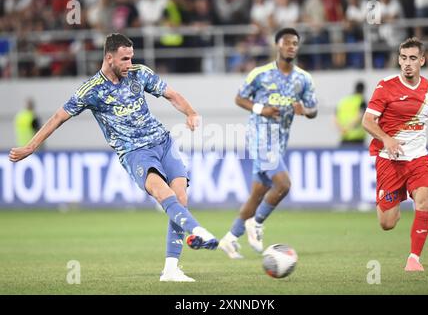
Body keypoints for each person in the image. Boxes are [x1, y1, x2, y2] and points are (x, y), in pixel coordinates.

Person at [9, 33, 218, 282]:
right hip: (135, 152)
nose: (129, 63)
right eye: (124, 59)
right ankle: (198, 230)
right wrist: (31, 146)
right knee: (165, 195)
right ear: (109, 58)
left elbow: (171, 94)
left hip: (164, 142)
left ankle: (171, 270)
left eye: (131, 58)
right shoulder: (92, 90)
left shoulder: (139, 73)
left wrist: (191, 113)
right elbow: (57, 118)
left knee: (180, 199)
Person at [218, 28, 318, 259]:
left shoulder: (303, 79)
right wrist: (260, 108)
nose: (292, 46)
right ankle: (257, 222)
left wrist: (305, 110)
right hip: (260, 138)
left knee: (257, 195)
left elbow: (313, 109)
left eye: (295, 43)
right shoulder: (260, 74)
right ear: (277, 45)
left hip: (280, 140)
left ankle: (230, 239)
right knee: (283, 185)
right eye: (287, 42)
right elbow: (239, 97)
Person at [362, 37, 428, 272]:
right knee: (387, 223)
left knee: (424, 199)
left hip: (418, 158)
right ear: (398, 60)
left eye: (412, 58)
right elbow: (367, 121)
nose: (407, 63)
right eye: (403, 58)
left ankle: (414, 259)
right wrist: (387, 139)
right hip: (389, 160)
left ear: (422, 60)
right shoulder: (385, 86)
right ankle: (393, 204)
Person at [334, 81, 367, 146]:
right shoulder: (361, 101)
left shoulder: (344, 100)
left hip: (344, 137)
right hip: (357, 138)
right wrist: (347, 127)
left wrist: (341, 129)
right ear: (363, 90)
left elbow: (335, 117)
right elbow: (359, 116)